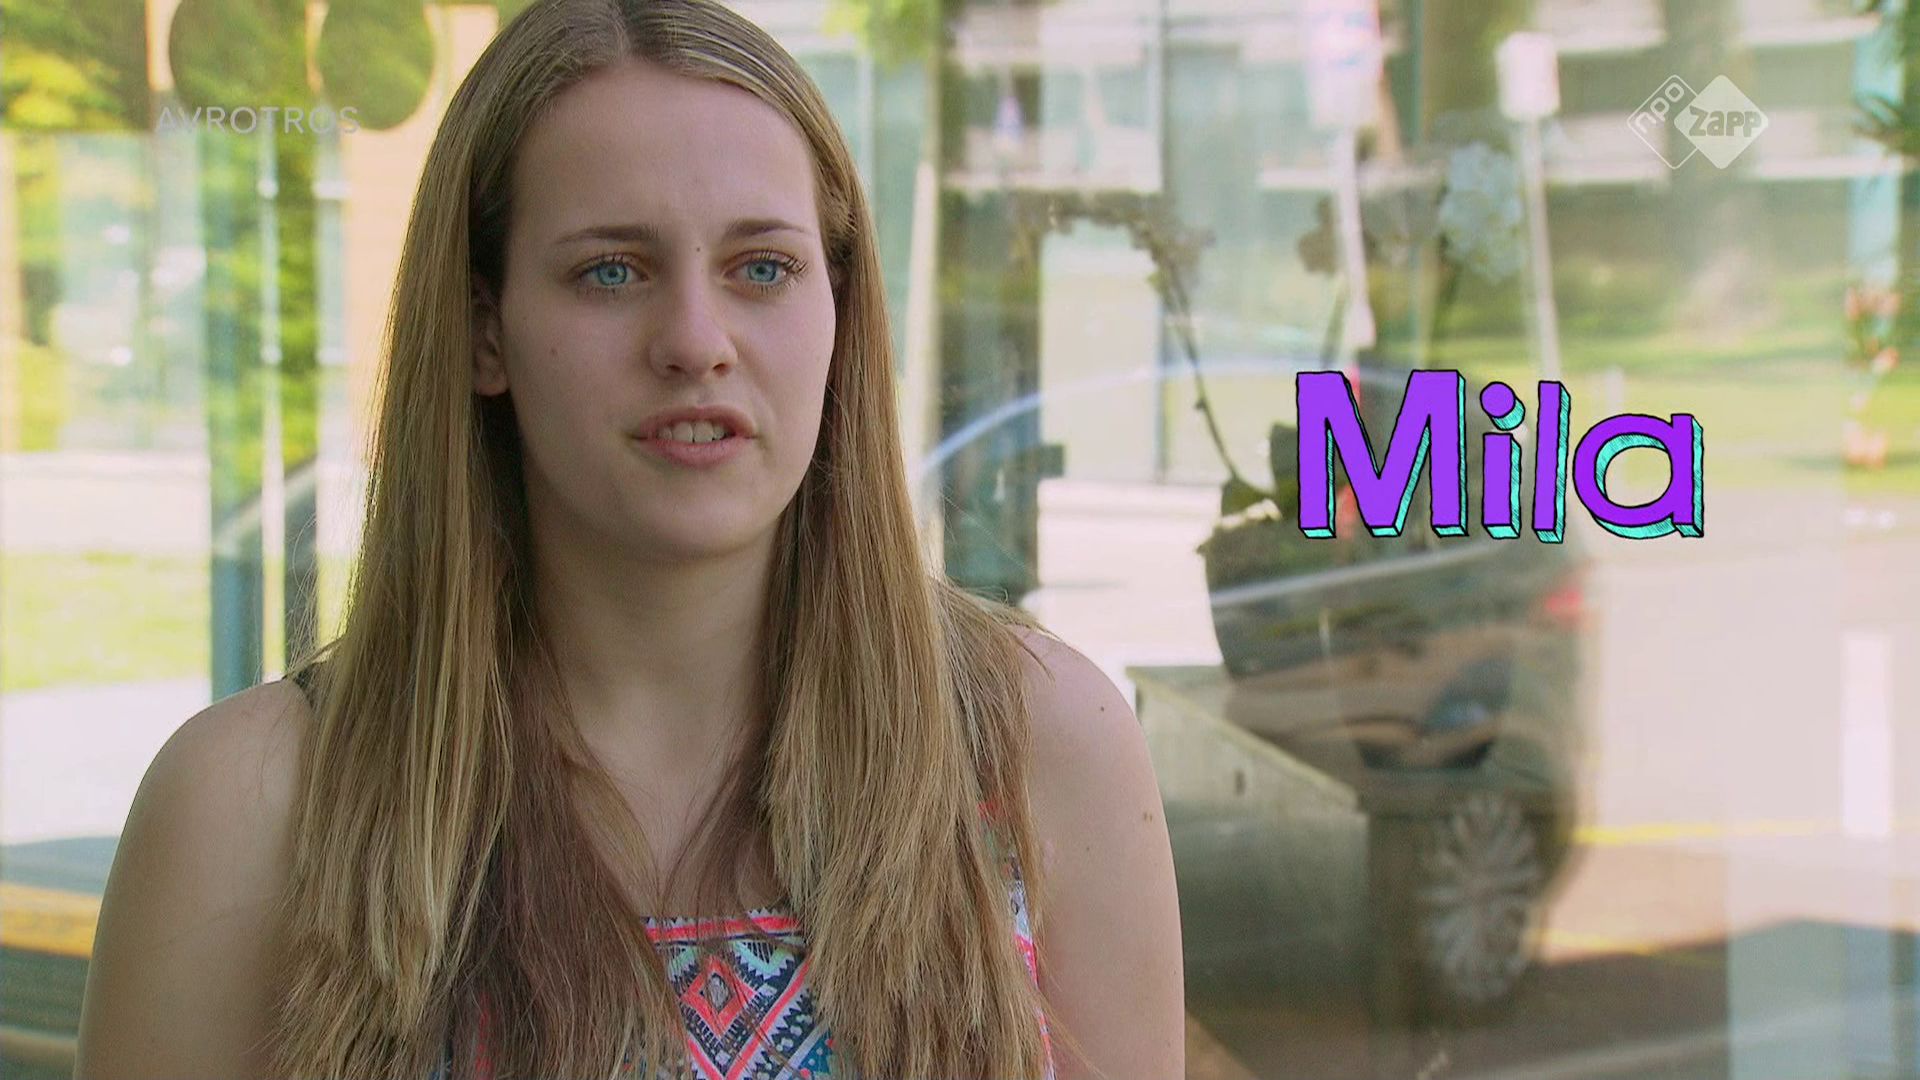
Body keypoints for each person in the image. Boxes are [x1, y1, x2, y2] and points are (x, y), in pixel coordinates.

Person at [72, 0, 1184, 1076]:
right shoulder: (252, 812)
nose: (696, 341)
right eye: (612, 270)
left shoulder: (1039, 747)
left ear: (840, 311)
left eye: (762, 268)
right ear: (483, 329)